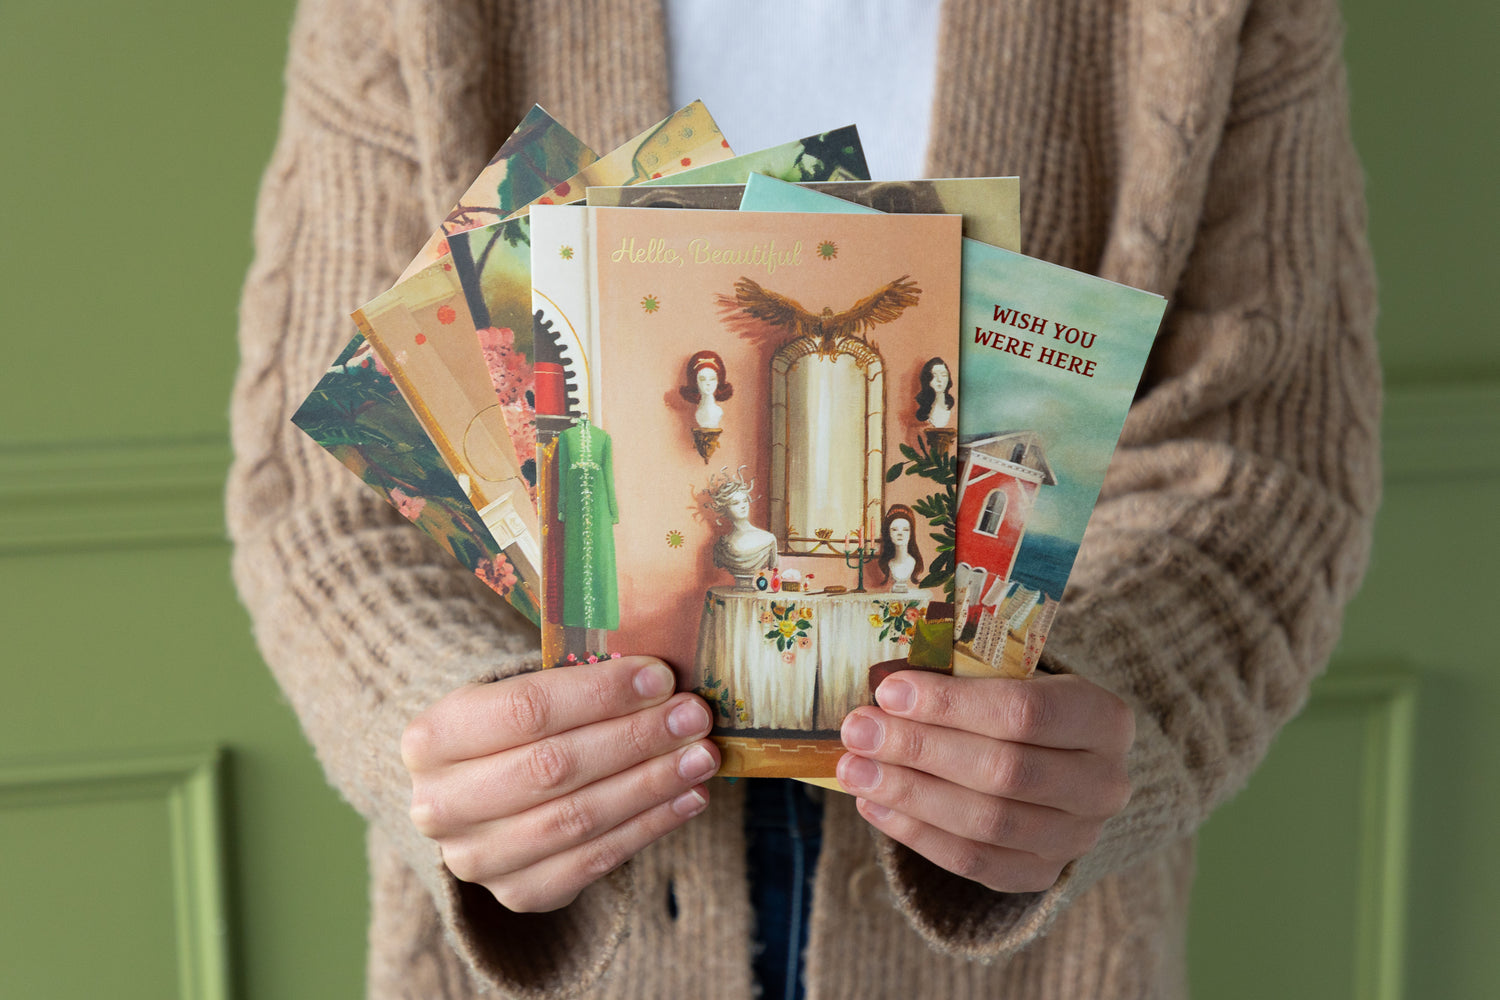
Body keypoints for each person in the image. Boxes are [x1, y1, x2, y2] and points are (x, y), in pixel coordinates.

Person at [226, 1, 1380, 998]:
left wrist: (1091, 717)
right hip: (569, 928)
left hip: (1030, 946)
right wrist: (459, 742)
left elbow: (1268, 461)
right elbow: (319, 491)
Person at [875, 503, 924, 592]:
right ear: (888, 533)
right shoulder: (889, 563)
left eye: (905, 530)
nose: (900, 533)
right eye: (894, 529)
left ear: (911, 533)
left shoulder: (912, 562)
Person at [679, 349, 734, 429]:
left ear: (718, 381)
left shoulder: (717, 412)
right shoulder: (699, 413)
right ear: (695, 382)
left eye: (712, 379)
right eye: (702, 379)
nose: (708, 383)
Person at [913, 357, 953, 429]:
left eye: (944, 375)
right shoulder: (921, 412)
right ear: (927, 379)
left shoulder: (953, 409)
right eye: (934, 375)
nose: (939, 380)